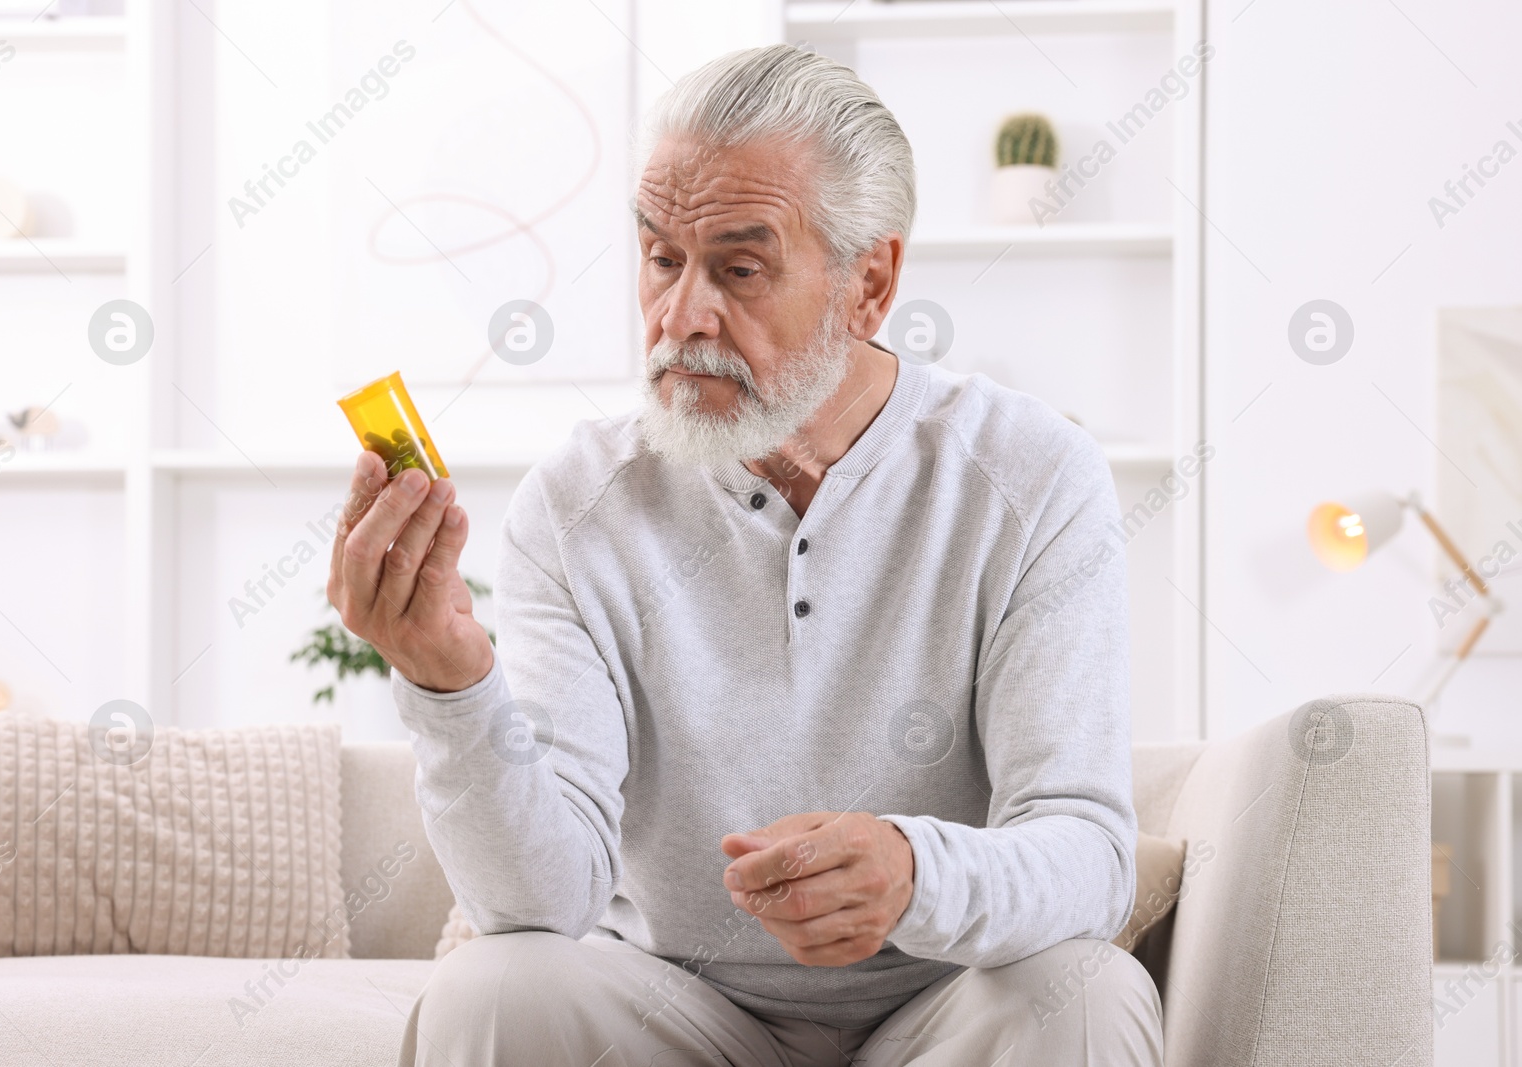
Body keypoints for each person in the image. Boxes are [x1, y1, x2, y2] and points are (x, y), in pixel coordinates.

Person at [329, 42, 1161, 1067]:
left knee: (1086, 989)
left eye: (739, 267)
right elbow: (541, 901)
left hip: (945, 1014)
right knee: (494, 985)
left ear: (870, 282)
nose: (680, 318)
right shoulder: (577, 504)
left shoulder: (1033, 475)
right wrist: (447, 683)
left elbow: (1084, 851)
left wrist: (916, 871)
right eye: (660, 258)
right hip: (675, 1009)